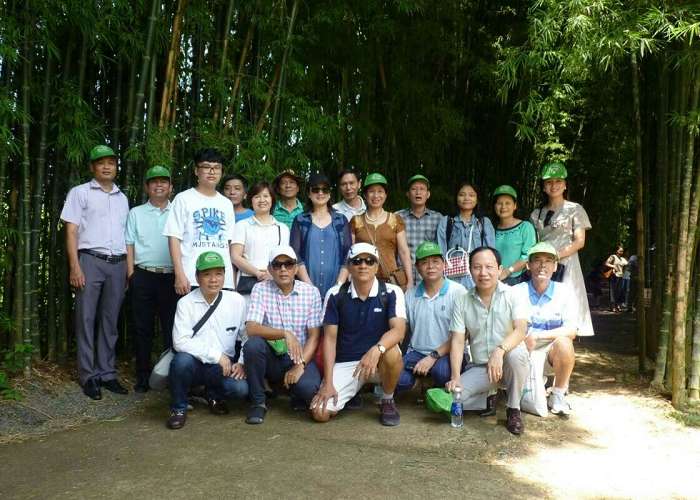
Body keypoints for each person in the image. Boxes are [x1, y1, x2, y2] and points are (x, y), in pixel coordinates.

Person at [60, 144, 130, 400]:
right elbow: (71, 231)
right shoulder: (80, 193)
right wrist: (75, 265)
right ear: (92, 167)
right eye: (101, 162)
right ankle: (88, 376)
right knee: (86, 319)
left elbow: (127, 236)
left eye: (111, 162)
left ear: (116, 167)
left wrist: (127, 269)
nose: (107, 166)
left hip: (118, 263)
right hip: (90, 260)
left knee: (110, 321)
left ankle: (107, 373)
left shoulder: (123, 198)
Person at [310, 243, 406, 426]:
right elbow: (329, 340)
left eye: (370, 261)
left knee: (392, 352)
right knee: (319, 413)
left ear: (377, 266)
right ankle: (354, 392)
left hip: (379, 361)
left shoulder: (393, 292)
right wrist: (328, 382)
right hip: (348, 363)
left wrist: (376, 350)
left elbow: (399, 330)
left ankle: (387, 399)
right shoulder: (335, 294)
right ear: (348, 266)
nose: (363, 265)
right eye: (357, 261)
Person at [445, 246, 530, 435]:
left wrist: (500, 351)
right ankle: (489, 396)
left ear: (499, 270)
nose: (483, 273)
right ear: (470, 270)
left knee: (515, 355)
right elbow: (458, 341)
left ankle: (513, 408)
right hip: (481, 368)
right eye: (477, 267)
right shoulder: (462, 300)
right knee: (453, 401)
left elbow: (521, 330)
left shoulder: (514, 294)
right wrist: (455, 377)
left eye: (489, 267)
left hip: (508, 360)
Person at [166, 251, 248, 430]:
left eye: (218, 274)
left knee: (240, 389)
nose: (213, 280)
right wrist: (215, 355)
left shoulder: (236, 301)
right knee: (181, 361)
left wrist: (241, 362)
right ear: (197, 276)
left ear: (224, 276)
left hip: (221, 368)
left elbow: (246, 336)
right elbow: (179, 341)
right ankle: (178, 408)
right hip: (194, 364)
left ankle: (213, 395)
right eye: (207, 274)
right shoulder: (185, 303)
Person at [243, 245, 323, 424]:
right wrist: (284, 333)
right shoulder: (261, 289)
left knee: (308, 390)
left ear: (296, 268)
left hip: (300, 356)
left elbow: (314, 336)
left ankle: (291, 390)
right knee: (253, 345)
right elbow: (252, 328)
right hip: (274, 356)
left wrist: (300, 365)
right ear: (270, 269)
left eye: (288, 264)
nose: (283, 269)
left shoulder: (311, 292)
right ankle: (258, 402)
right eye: (277, 265)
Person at [125, 165, 179, 393]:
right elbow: (128, 244)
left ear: (170, 187)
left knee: (171, 329)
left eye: (163, 181)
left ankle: (168, 376)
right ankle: (143, 375)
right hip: (144, 274)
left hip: (171, 276)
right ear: (147, 186)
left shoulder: (178, 210)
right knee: (142, 328)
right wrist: (131, 275)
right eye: (154, 181)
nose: (159, 185)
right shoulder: (135, 212)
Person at [511, 242, 578, 416]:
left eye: (548, 261)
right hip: (523, 349)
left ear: (555, 266)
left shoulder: (565, 292)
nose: (543, 265)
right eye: (537, 260)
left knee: (565, 343)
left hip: (549, 350)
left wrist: (538, 336)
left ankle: (558, 394)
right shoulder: (516, 292)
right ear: (528, 265)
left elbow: (571, 330)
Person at [530, 161, 594, 335]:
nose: (554, 185)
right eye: (549, 182)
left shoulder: (575, 209)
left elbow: (580, 241)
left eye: (558, 181)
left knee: (566, 308)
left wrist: (555, 257)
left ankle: (565, 353)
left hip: (567, 264)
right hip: (542, 266)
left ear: (565, 185)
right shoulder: (537, 213)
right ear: (543, 186)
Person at [397, 241, 467, 393]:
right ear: (417, 268)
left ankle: (431, 384)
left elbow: (461, 335)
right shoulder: (410, 294)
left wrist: (433, 357)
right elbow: (404, 329)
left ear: (444, 265)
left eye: (435, 261)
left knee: (442, 373)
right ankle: (419, 382)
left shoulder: (458, 292)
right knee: (397, 379)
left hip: (448, 353)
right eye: (424, 262)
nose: (430, 267)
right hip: (417, 351)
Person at [163, 148, 236, 294]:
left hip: (221, 280)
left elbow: (228, 243)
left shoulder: (226, 204)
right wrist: (179, 274)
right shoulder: (183, 199)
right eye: (206, 167)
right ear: (196, 171)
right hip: (191, 277)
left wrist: (231, 279)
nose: (212, 171)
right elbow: (174, 238)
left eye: (216, 168)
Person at [290, 173, 352, 298]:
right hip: (305, 289)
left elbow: (348, 254)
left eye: (325, 189)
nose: (320, 193)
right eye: (315, 189)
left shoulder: (341, 220)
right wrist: (309, 286)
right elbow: (295, 254)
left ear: (329, 194)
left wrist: (339, 285)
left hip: (337, 289)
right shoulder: (300, 220)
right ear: (309, 193)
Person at [350, 173, 413, 290]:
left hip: (390, 280)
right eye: (371, 191)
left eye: (380, 191)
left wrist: (410, 280)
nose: (376, 195)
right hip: (363, 280)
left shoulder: (395, 220)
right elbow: (350, 252)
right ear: (365, 195)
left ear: (386, 194)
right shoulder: (356, 221)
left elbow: (404, 252)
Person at [231, 181, 291, 298]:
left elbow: (284, 257)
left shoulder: (282, 228)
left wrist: (271, 274)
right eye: (257, 196)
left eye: (265, 196)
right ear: (251, 200)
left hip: (275, 282)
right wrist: (258, 273)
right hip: (247, 284)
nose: (262, 200)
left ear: (272, 199)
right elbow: (235, 256)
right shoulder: (242, 225)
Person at [437, 182, 496, 289]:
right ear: (456, 198)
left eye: (471, 195)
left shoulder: (483, 222)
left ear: (477, 199)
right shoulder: (446, 222)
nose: (466, 198)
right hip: (452, 279)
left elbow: (491, 253)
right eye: (462, 194)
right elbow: (440, 252)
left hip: (478, 277)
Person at [396, 175, 443, 285]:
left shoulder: (438, 218)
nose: (418, 192)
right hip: (403, 277)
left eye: (422, 189)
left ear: (428, 194)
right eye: (414, 189)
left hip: (429, 276)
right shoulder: (397, 217)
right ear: (407, 194)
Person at [492, 185, 536, 286]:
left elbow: (528, 255)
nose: (503, 207)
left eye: (508, 203)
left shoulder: (525, 227)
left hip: (518, 280)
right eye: (499, 203)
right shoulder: (491, 229)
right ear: (494, 206)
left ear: (515, 206)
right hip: (494, 279)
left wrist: (508, 271)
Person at [605, 245, 628, 312]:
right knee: (613, 291)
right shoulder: (613, 256)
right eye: (620, 250)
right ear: (616, 251)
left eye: (622, 251)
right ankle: (613, 306)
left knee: (619, 292)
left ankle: (617, 305)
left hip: (620, 276)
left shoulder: (622, 258)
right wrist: (613, 266)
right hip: (614, 276)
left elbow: (626, 265)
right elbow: (606, 263)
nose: (621, 252)